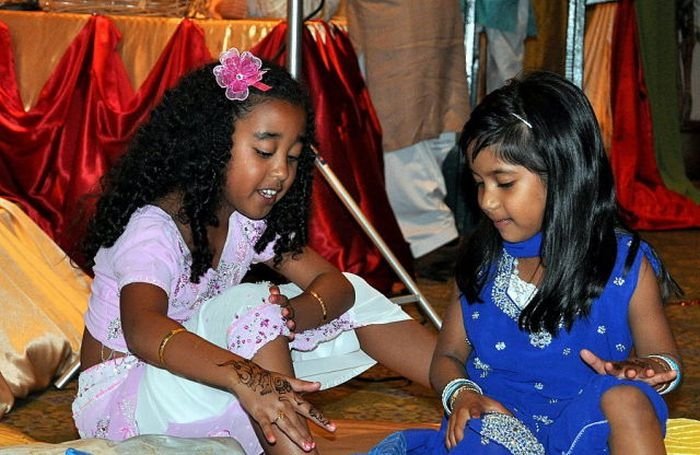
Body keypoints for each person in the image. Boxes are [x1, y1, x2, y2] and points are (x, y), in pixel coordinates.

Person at [71, 48, 436, 455]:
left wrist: (290, 317)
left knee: (335, 294)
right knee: (251, 301)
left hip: (203, 379)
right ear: (209, 145)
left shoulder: (246, 223)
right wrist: (248, 376)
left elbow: (335, 285)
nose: (281, 172)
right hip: (127, 403)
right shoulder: (152, 229)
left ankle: (472, 390)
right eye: (264, 152)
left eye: (293, 158)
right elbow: (142, 331)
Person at [369, 71, 683, 454]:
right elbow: (448, 355)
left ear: (564, 173)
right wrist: (463, 394)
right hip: (501, 423)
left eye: (503, 183)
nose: (486, 201)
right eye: (478, 182)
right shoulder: (483, 263)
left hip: (585, 424)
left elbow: (665, 358)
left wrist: (645, 368)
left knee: (626, 399)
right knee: (474, 435)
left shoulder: (625, 264)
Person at [346, 0, 470, 281]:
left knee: (402, 113)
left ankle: (428, 238)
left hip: (399, 19)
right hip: (411, 17)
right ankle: (429, 235)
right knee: (420, 109)